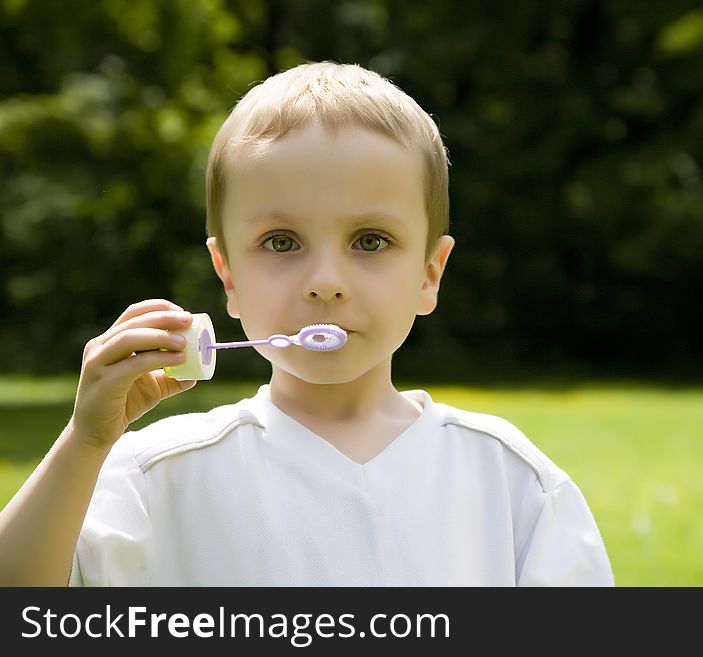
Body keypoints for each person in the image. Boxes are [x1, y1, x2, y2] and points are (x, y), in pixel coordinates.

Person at [0, 61, 613, 586]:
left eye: (370, 241)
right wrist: (84, 444)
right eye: (281, 241)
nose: (326, 279)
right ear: (229, 276)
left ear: (430, 273)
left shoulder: (509, 481)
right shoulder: (157, 474)